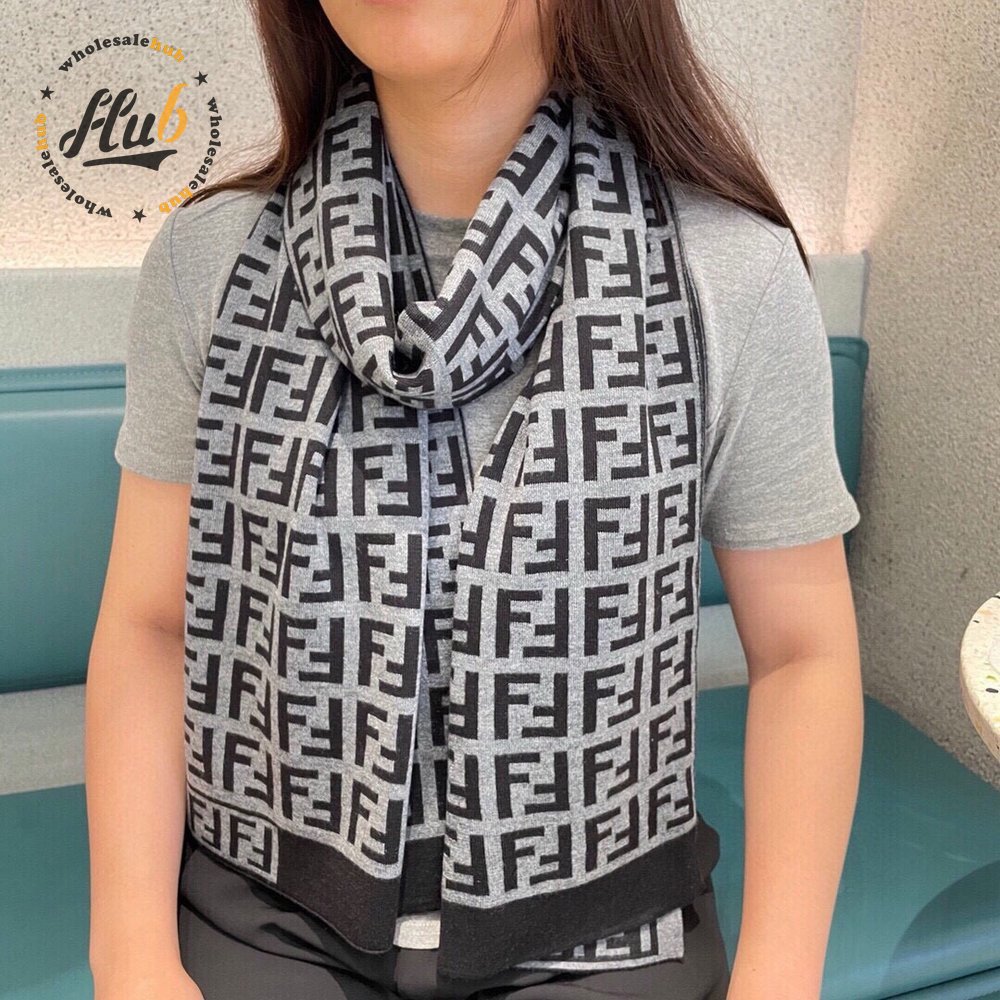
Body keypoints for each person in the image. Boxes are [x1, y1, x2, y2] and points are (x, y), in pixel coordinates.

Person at [85, 1, 865, 998]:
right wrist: (131, 958)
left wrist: (780, 980)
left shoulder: (727, 272)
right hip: (268, 908)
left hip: (606, 927)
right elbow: (151, 627)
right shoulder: (212, 259)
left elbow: (803, 655)